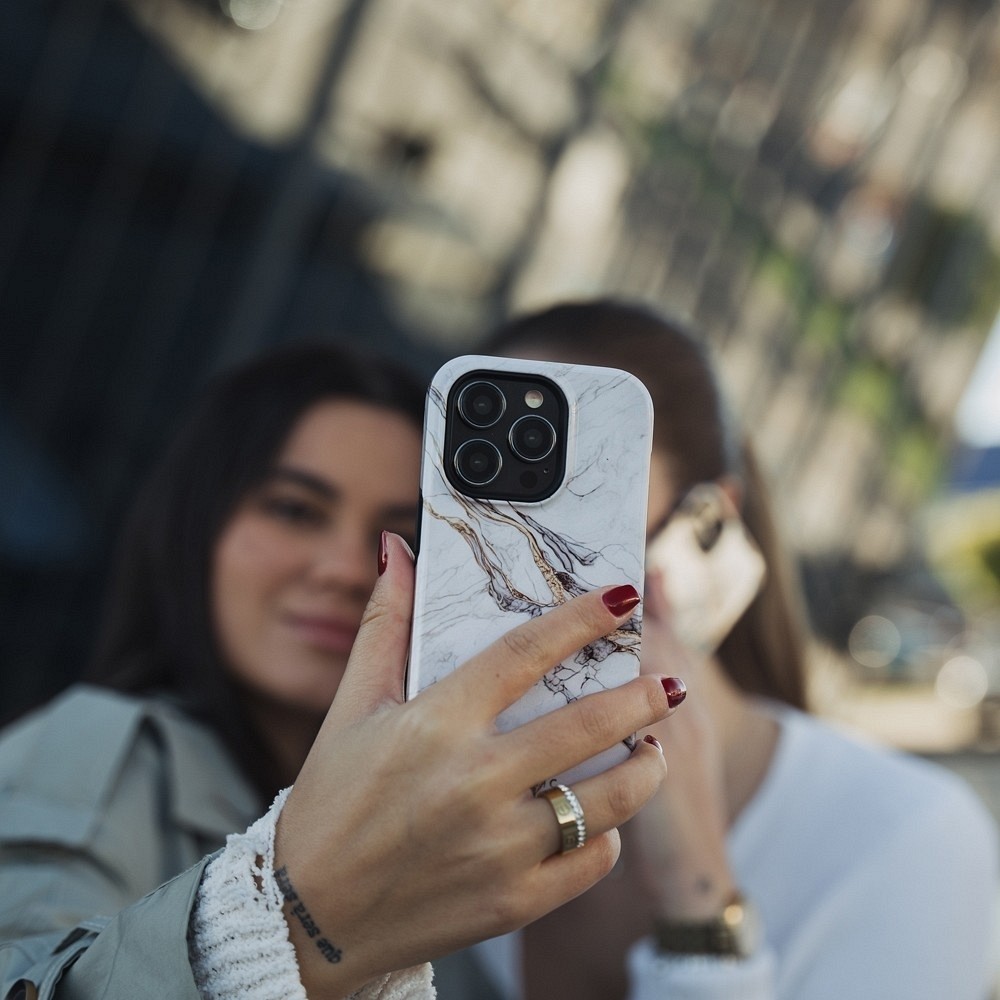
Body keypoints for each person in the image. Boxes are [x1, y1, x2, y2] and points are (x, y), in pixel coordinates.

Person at [0, 342, 684, 1000]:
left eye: (402, 534)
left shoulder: (444, 822)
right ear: (197, 524)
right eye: (295, 510)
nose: (348, 570)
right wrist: (294, 924)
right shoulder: (104, 745)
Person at [430, 299, 999, 999]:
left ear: (706, 527)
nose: (519, 548)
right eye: (477, 504)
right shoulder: (443, 787)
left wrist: (696, 892)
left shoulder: (912, 839)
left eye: (581, 505)